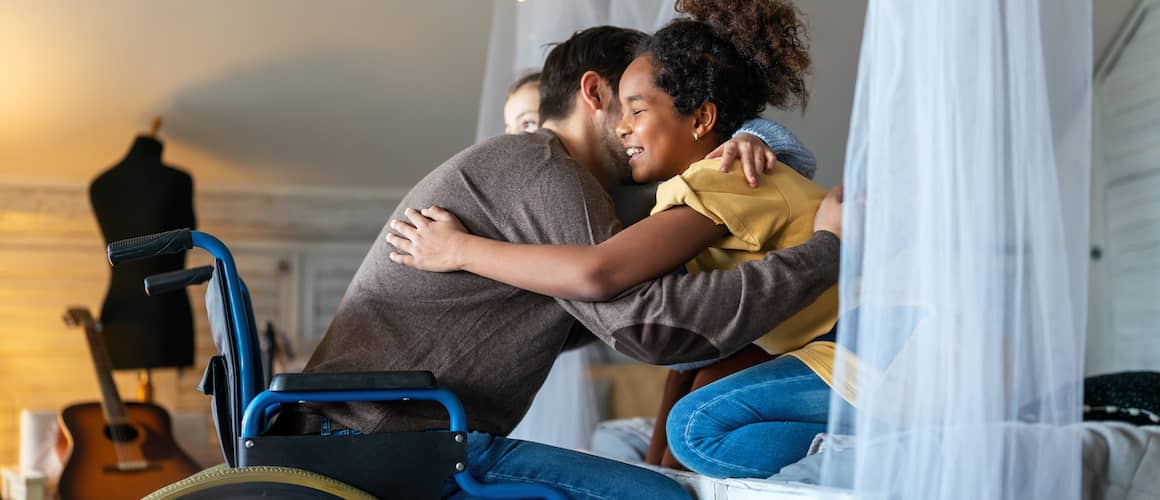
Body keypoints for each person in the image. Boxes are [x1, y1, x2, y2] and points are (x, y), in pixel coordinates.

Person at [299, 25, 842, 499]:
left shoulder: (567, 177)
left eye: (644, 107)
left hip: (373, 433)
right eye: (629, 104)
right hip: (386, 439)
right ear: (595, 92)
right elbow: (645, 328)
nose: (632, 128)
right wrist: (824, 252)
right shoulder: (549, 173)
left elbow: (711, 189)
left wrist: (758, 136)